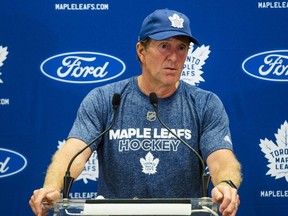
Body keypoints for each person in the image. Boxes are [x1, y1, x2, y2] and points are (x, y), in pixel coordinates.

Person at [29, 8, 242, 216]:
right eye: (164, 46)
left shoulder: (205, 103)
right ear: (141, 51)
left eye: (181, 48)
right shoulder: (105, 99)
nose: (174, 57)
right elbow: (73, 152)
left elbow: (221, 158)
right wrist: (52, 186)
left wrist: (226, 183)